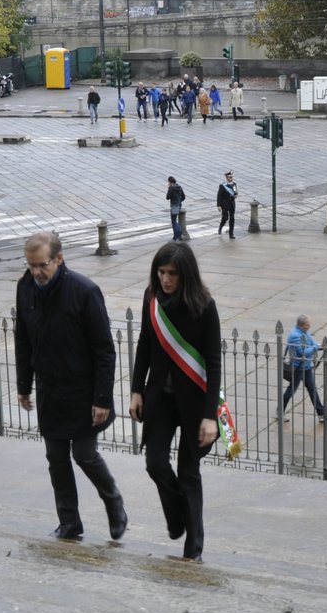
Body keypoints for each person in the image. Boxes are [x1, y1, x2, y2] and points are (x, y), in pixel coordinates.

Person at [14, 231, 128, 541]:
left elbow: (105, 350)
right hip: (50, 389)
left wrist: (102, 399)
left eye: (41, 265)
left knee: (84, 453)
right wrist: (24, 384)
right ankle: (69, 522)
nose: (36, 272)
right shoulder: (25, 288)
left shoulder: (84, 291)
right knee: (56, 457)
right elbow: (22, 339)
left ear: (59, 259)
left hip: (84, 391)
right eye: (30, 265)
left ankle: (113, 500)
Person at [130, 241, 222, 561]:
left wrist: (211, 416)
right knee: (155, 463)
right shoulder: (151, 299)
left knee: (188, 472)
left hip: (196, 402)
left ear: (186, 275)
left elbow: (213, 363)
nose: (166, 279)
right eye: (161, 271)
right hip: (161, 399)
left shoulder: (204, 306)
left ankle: (193, 549)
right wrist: (136, 389)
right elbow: (144, 343)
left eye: (172, 273)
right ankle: (176, 518)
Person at [281, 314, 327, 423]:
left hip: (306, 367)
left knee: (312, 389)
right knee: (291, 391)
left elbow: (311, 343)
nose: (309, 327)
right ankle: (280, 411)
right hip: (298, 368)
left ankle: (321, 413)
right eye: (307, 325)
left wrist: (321, 346)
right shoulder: (295, 336)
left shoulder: (304, 332)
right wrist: (315, 348)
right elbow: (302, 353)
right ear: (301, 325)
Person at [216, 171, 238, 239]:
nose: (231, 178)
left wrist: (235, 195)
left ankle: (231, 234)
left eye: (232, 177)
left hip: (232, 204)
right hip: (225, 204)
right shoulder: (222, 186)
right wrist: (219, 205)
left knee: (232, 219)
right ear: (226, 177)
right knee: (225, 218)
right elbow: (219, 196)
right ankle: (220, 226)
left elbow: (235, 192)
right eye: (229, 177)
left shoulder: (234, 184)